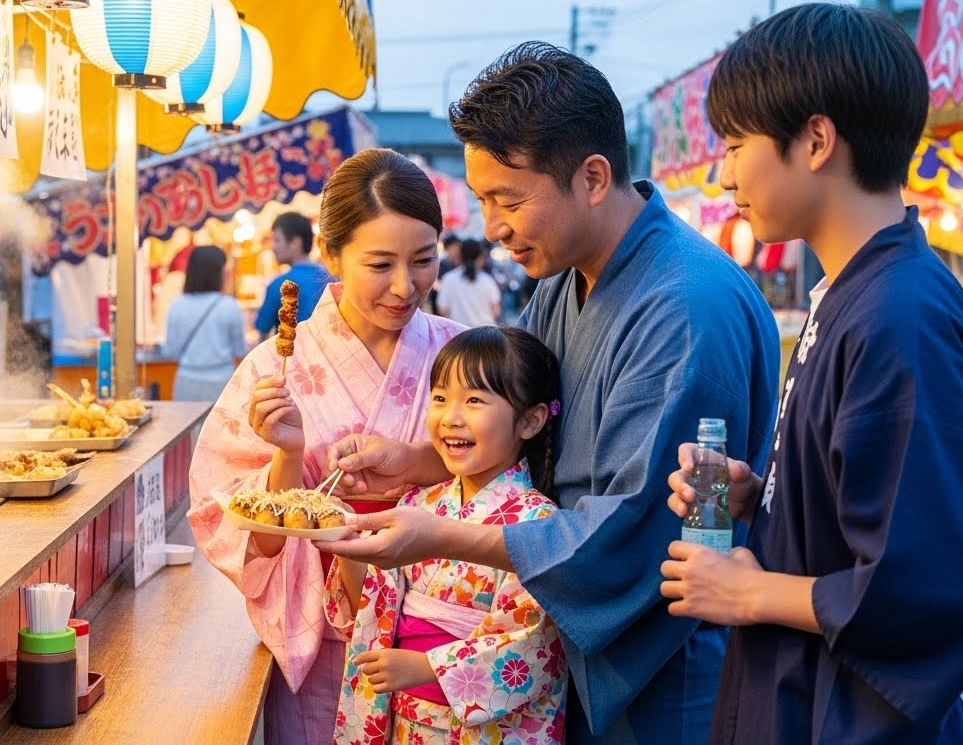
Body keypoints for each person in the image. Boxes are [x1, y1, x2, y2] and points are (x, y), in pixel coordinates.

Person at [316, 41, 779, 745]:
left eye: (508, 199)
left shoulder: (687, 304)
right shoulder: (562, 279)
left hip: (664, 662)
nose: (493, 226)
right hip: (576, 644)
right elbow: (521, 423)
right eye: (481, 201)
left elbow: (633, 524)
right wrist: (414, 464)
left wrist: (440, 534)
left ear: (592, 177)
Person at [659, 4, 963, 743]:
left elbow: (932, 587)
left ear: (813, 140)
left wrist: (750, 593)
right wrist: (759, 498)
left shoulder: (899, 317)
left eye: (736, 144)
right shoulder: (858, 294)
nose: (723, 171)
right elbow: (861, 513)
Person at [187, 148, 465, 744]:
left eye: (423, 260)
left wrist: (418, 462)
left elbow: (512, 481)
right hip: (328, 649)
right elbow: (238, 529)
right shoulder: (272, 368)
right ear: (330, 253)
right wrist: (288, 456)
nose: (404, 286)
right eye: (380, 263)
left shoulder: (465, 356)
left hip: (441, 642)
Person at [327, 325, 567, 744]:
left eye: (474, 400)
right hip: (406, 719)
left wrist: (429, 668)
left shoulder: (538, 521)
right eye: (440, 398)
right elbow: (374, 605)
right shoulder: (420, 502)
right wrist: (344, 543)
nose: (451, 417)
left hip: (481, 727)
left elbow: (537, 645)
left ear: (531, 420)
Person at [162, 245, 248, 401]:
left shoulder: (176, 305)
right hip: (222, 382)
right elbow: (240, 350)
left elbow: (170, 351)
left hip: (186, 381)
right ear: (218, 273)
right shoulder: (229, 306)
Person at [254, 211, 332, 342]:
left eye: (277, 240)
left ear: (295, 242)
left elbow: (263, 332)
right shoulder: (331, 278)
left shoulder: (279, 284)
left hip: (292, 359)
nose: (273, 247)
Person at [435, 238, 501, 327]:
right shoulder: (487, 280)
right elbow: (496, 311)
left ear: (460, 256)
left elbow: (442, 310)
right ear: (479, 257)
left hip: (459, 335)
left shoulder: (449, 279)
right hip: (487, 335)